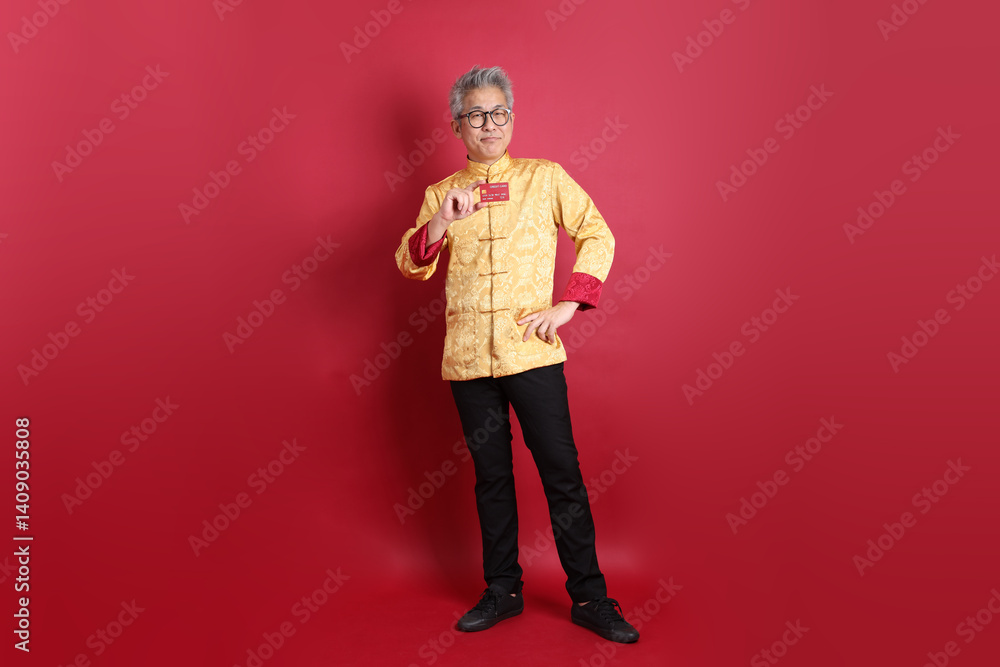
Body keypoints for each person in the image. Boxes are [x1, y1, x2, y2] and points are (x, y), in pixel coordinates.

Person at [395, 65, 638, 644]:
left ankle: (591, 597)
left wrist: (570, 304)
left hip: (532, 354)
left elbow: (597, 233)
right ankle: (502, 590)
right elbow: (411, 264)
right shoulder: (440, 194)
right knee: (491, 478)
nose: (489, 124)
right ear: (457, 126)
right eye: (476, 115)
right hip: (468, 361)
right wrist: (441, 219)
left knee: (562, 474)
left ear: (511, 118)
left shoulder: (544, 178)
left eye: (498, 113)